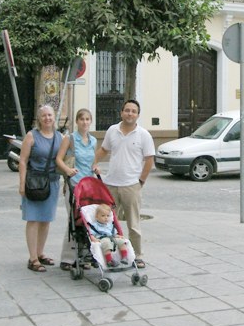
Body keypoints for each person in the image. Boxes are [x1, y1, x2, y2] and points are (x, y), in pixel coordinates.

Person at [92, 99, 155, 269]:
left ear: (138, 115)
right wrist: (94, 162)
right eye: (127, 110)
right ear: (121, 112)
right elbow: (104, 150)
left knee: (133, 224)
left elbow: (149, 160)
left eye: (133, 111)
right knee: (108, 222)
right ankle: (109, 254)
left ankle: (138, 255)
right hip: (111, 184)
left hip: (131, 185)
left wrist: (141, 180)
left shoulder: (144, 135)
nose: (130, 113)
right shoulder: (112, 130)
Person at [18, 105, 62, 272]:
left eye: (50, 115)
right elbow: (22, 161)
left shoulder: (60, 137)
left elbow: (64, 159)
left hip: (52, 183)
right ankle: (33, 258)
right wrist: (21, 184)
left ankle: (40, 252)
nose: (47, 118)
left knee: (45, 220)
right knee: (33, 219)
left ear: (54, 117)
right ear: (39, 119)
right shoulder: (31, 136)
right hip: (34, 182)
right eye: (44, 116)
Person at [55, 108, 97, 271]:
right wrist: (67, 171)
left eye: (87, 119)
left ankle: (83, 255)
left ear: (90, 121)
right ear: (77, 121)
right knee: (73, 220)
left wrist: (96, 168)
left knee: (86, 221)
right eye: (82, 119)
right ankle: (67, 258)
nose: (85, 122)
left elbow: (92, 162)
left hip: (89, 186)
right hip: (73, 185)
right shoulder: (70, 139)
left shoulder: (93, 141)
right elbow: (59, 159)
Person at [86, 204, 130, 268]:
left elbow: (113, 233)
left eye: (108, 216)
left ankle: (124, 257)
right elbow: (91, 234)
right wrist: (93, 239)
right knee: (107, 243)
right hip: (102, 238)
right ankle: (109, 260)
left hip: (112, 237)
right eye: (103, 216)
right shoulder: (94, 225)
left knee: (121, 241)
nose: (106, 217)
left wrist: (118, 236)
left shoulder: (109, 225)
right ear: (96, 216)